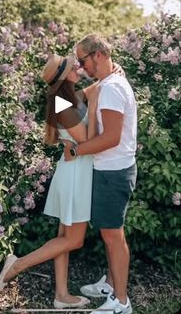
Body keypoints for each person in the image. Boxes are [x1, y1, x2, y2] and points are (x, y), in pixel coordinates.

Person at [0, 52, 122, 309]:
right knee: (73, 239)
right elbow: (88, 139)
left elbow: (94, 88)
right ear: (64, 77)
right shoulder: (62, 105)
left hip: (74, 170)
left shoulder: (69, 97)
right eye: (72, 66)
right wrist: (97, 101)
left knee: (63, 236)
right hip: (75, 174)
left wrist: (111, 73)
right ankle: (17, 265)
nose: (78, 66)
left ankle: (61, 295)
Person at [64, 34, 137, 314]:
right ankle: (110, 282)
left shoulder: (111, 88)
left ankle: (121, 301)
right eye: (76, 64)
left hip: (113, 171)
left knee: (113, 235)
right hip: (111, 169)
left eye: (82, 61)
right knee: (109, 232)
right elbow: (69, 102)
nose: (81, 68)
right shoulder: (107, 84)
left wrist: (76, 151)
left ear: (99, 55)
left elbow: (111, 138)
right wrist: (100, 81)